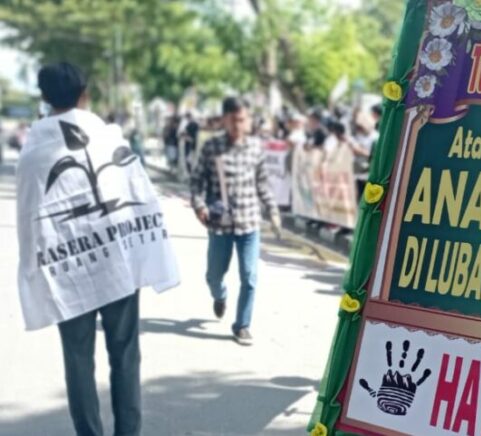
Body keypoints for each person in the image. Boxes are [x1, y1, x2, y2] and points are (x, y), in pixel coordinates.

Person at [16, 62, 179, 436]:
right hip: (116, 264)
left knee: (77, 361)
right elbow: (140, 196)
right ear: (85, 93)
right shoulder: (110, 139)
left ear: (43, 97)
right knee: (125, 355)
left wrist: (33, 271)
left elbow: (30, 221)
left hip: (67, 269)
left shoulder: (33, 155)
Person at [190, 97, 282, 345]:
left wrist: (272, 211)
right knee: (214, 275)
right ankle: (220, 296)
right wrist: (199, 206)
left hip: (249, 222)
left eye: (243, 119)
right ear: (225, 120)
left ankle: (242, 325)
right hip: (220, 224)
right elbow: (197, 181)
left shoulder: (255, 148)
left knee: (250, 276)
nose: (239, 125)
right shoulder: (211, 147)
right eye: (234, 120)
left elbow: (262, 183)